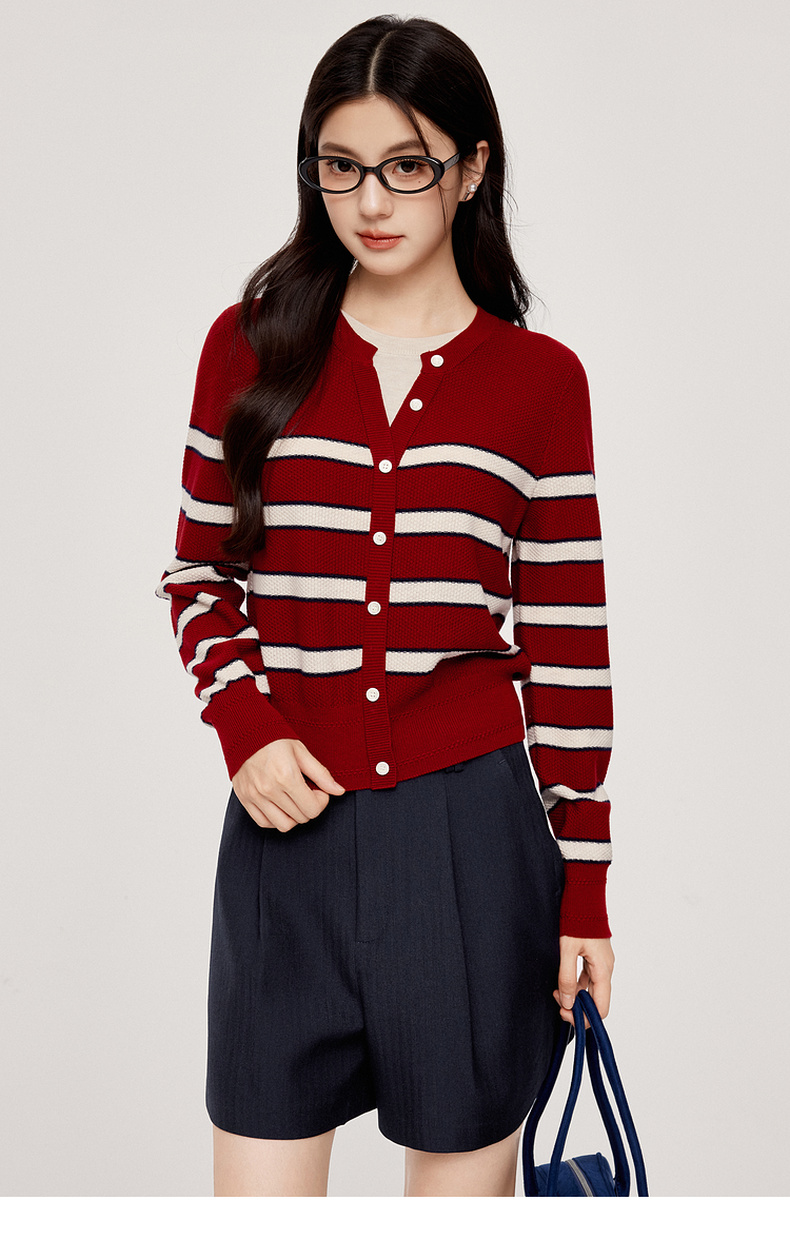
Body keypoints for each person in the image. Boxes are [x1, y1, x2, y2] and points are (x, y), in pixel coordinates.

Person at [156, 14, 615, 1197]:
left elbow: (567, 647)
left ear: (469, 169)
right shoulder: (248, 348)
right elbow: (199, 575)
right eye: (341, 165)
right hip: (285, 841)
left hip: (469, 844)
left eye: (407, 166)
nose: (369, 201)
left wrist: (586, 889)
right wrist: (246, 727)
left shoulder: (539, 383)